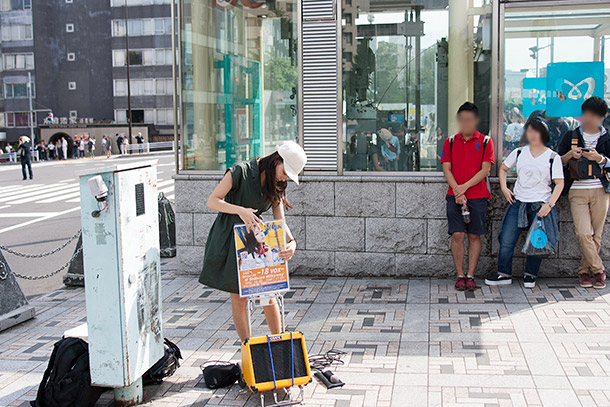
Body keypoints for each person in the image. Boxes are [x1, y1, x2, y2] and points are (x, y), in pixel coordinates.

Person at [200, 141, 306, 342]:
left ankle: (279, 345)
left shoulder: (276, 183)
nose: (285, 178)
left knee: (269, 294)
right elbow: (212, 201)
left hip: (257, 239)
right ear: (276, 160)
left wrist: (292, 243)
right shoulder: (241, 171)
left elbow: (279, 220)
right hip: (229, 239)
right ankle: (247, 348)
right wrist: (239, 210)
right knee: (239, 299)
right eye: (285, 171)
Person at [486, 119, 564, 289]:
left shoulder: (552, 157)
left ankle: (530, 275)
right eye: (529, 131)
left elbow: (560, 183)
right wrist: (505, 188)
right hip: (518, 202)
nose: (532, 135)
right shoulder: (519, 152)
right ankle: (503, 273)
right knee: (506, 238)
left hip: (540, 204)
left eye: (536, 131)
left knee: (536, 242)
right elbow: (503, 169)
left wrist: (549, 205)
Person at [557, 96, 610, 289]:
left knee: (596, 234)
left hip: (601, 190)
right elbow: (557, 162)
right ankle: (599, 270)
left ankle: (584, 272)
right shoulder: (571, 135)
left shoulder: (607, 137)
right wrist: (570, 155)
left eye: (595, 115)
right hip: (577, 189)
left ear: (602, 117)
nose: (590, 118)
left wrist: (601, 159)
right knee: (583, 233)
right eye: (587, 114)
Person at [441, 102, 494, 291]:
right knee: (457, 234)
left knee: (474, 235)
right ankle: (460, 274)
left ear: (476, 121)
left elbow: (485, 170)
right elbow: (446, 168)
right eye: (462, 119)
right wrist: (457, 190)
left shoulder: (486, 141)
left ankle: (471, 275)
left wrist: (463, 188)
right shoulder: (450, 142)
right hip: (453, 195)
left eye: (469, 120)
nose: (465, 123)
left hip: (478, 195)